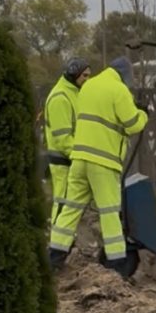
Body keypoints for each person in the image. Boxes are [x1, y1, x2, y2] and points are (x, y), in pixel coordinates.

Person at [49, 56, 149, 274]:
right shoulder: (118, 90)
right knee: (110, 212)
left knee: (71, 209)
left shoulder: (89, 86)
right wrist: (143, 114)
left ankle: (55, 256)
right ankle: (117, 265)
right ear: (125, 76)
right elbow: (132, 125)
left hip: (79, 159)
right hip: (102, 162)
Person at [46, 58, 91, 268]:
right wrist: (82, 153)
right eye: (85, 76)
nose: (87, 79)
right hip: (63, 160)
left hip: (72, 158)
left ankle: (62, 243)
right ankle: (55, 249)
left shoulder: (74, 93)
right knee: (63, 202)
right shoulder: (60, 98)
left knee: (68, 203)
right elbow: (63, 138)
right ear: (74, 75)